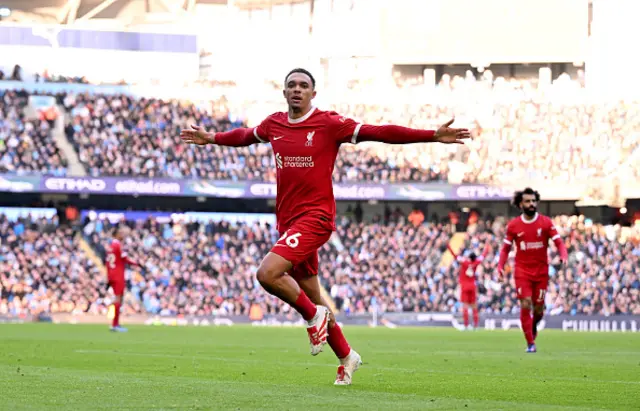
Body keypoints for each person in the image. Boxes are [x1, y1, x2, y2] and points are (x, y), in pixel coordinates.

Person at [180, 68, 471, 385]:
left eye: (303, 86)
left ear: (313, 94)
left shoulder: (329, 123)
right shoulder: (274, 124)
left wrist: (430, 134)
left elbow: (379, 131)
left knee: (267, 273)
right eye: (291, 85)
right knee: (312, 295)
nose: (297, 90)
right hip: (288, 225)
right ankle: (347, 357)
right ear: (284, 92)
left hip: (316, 218)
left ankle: (313, 317)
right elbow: (245, 136)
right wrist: (212, 138)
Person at [497, 188, 568, 352]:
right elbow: (505, 249)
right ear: (521, 204)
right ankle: (530, 343)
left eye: (533, 201)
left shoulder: (545, 222)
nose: (531, 204)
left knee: (538, 309)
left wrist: (563, 255)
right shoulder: (514, 225)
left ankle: (533, 326)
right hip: (522, 271)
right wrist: (500, 266)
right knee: (526, 303)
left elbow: (559, 243)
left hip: (541, 272)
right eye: (528, 201)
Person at [105, 225, 140, 332]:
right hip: (118, 275)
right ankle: (115, 324)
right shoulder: (117, 245)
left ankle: (115, 323)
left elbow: (108, 261)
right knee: (118, 298)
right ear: (116, 235)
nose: (122, 235)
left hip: (112, 274)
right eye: (120, 233)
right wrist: (137, 264)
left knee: (117, 298)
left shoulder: (111, 246)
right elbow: (125, 258)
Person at [447, 241, 489, 330]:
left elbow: (455, 256)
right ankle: (476, 325)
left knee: (465, 306)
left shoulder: (464, 262)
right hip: (473, 286)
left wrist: (449, 246)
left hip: (465, 286)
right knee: (474, 306)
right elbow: (483, 256)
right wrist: (487, 246)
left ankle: (466, 325)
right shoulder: (476, 262)